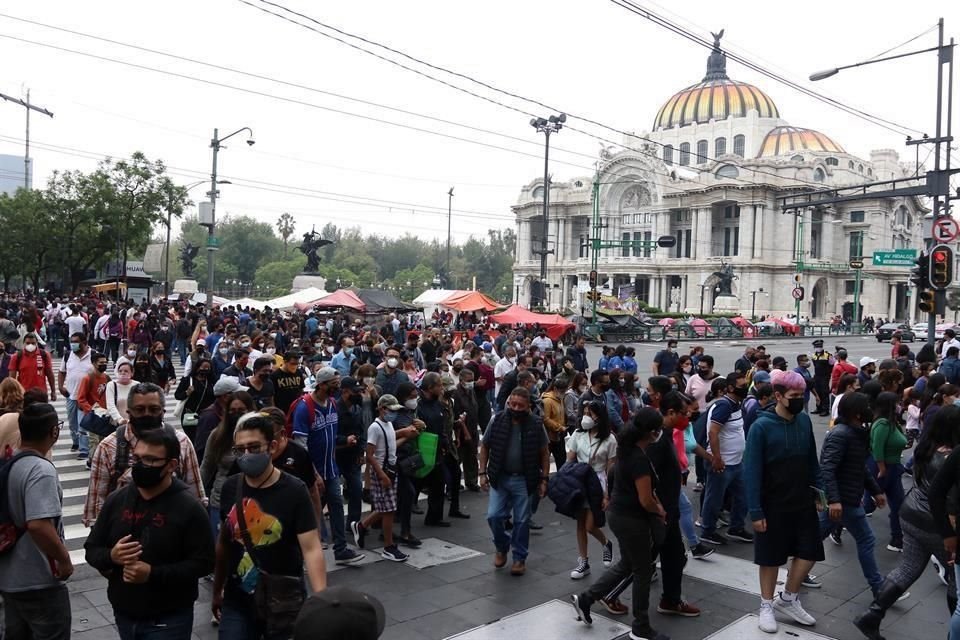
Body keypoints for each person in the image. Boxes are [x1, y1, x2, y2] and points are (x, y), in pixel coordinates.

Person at [84, 426, 215, 640]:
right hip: (123, 611)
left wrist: (152, 573)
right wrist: (111, 556)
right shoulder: (117, 500)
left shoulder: (190, 507)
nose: (142, 465)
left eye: (151, 460)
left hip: (169, 618)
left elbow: (204, 563)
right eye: (137, 458)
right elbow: (92, 549)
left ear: (171, 465)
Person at [212, 414, 328, 638]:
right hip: (238, 599)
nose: (246, 455)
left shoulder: (294, 490)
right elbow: (224, 544)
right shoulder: (230, 487)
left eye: (254, 447)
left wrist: (321, 597)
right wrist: (218, 590)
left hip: (284, 597)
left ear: (272, 446)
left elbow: (311, 548)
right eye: (240, 449)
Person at [856, 405, 960, 639]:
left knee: (908, 568)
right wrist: (952, 534)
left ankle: (872, 615)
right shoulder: (951, 456)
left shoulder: (927, 446)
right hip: (937, 524)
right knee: (955, 578)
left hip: (912, 513)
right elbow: (952, 501)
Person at [571, 408, 669, 640]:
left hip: (619, 515)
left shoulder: (627, 451)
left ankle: (586, 599)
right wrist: (660, 510)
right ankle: (641, 627)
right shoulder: (638, 459)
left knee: (627, 563)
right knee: (643, 570)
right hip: (631, 519)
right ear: (653, 433)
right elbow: (646, 499)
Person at [743, 370, 823, 633]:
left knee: (809, 551)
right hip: (772, 502)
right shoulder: (761, 427)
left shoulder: (804, 421)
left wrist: (820, 492)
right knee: (770, 558)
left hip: (801, 499)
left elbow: (813, 459)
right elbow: (752, 470)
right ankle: (766, 604)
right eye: (794, 396)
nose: (800, 400)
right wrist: (755, 510)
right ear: (777, 396)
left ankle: (788, 598)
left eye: (802, 395)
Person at [83, 382, 205, 527]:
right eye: (140, 410)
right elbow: (97, 508)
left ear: (163, 412)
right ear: (129, 412)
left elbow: (196, 497)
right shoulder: (108, 447)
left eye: (153, 409)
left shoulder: (182, 443)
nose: (147, 414)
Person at [0, 403, 73, 640]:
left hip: (10, 577)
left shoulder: (9, 462)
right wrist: (63, 560)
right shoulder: (40, 470)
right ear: (54, 432)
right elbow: (38, 524)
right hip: (39, 579)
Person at [291, 366, 363, 565]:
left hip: (330, 467)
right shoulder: (305, 408)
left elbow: (332, 436)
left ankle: (340, 548)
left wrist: (344, 441)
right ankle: (300, 550)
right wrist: (313, 473)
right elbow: (300, 446)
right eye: (333, 385)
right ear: (321, 385)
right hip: (311, 471)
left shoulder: (332, 404)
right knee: (307, 512)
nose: (337, 389)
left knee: (337, 506)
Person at [818, 392, 886, 596]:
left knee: (814, 537)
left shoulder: (854, 432)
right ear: (857, 414)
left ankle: (798, 569)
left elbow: (860, 466)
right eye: (866, 407)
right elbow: (827, 468)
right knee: (866, 539)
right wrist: (835, 500)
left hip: (846, 496)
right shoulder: (842, 434)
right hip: (844, 499)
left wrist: (875, 490)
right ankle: (878, 586)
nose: (870, 410)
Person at [480, 386, 549, 576]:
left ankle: (519, 558)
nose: (516, 408)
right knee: (493, 516)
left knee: (521, 520)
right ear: (508, 403)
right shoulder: (497, 420)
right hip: (500, 477)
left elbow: (544, 452)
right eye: (513, 404)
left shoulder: (536, 424)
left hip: (524, 479)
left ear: (528, 406)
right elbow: (484, 446)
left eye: (521, 405)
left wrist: (544, 479)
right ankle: (502, 546)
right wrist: (482, 473)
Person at [350, 395, 418, 563]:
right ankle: (388, 546)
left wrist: (406, 436)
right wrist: (381, 475)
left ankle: (361, 526)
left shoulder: (388, 425)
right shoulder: (375, 427)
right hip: (383, 471)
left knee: (386, 507)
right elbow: (370, 455)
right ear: (381, 409)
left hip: (390, 469)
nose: (393, 413)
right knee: (388, 509)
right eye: (391, 410)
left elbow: (391, 445)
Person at [700, 372, 752, 546]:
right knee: (714, 499)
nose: (745, 388)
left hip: (736, 462)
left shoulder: (737, 404)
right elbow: (713, 432)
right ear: (730, 388)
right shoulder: (724, 406)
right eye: (742, 385)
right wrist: (717, 458)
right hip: (723, 464)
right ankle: (708, 531)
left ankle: (736, 527)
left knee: (743, 495)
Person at [566, 401, 616, 580]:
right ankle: (583, 561)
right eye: (585, 412)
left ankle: (606, 543)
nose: (587, 416)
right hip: (580, 480)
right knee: (580, 523)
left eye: (591, 413)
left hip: (598, 481)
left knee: (590, 525)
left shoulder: (609, 439)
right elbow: (570, 459)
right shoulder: (578, 434)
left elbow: (610, 468)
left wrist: (607, 494)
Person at [868, 391, 908, 552]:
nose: (900, 406)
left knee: (898, 504)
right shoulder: (882, 424)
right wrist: (882, 468)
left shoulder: (891, 423)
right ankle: (836, 524)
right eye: (898, 403)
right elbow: (877, 447)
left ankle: (897, 539)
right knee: (867, 504)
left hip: (893, 468)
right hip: (884, 469)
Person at [336, 377, 366, 536]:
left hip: (352, 457)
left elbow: (361, 432)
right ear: (345, 391)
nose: (358, 394)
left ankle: (353, 524)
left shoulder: (357, 409)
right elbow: (330, 434)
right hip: (336, 456)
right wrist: (343, 440)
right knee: (331, 494)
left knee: (356, 490)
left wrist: (361, 451)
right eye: (355, 392)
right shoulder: (334, 408)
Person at [59, 331, 93, 458]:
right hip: (70, 395)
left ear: (84, 343)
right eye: (71, 342)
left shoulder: (93, 355)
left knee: (82, 423)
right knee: (72, 422)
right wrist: (60, 386)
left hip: (85, 397)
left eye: (76, 342)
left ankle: (84, 449)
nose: (73, 345)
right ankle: (76, 442)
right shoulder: (68, 355)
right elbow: (62, 372)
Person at [452, 367, 480, 492]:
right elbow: (457, 415)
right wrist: (462, 432)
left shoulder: (471, 391)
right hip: (461, 431)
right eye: (468, 380)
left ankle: (472, 481)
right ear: (461, 380)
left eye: (472, 380)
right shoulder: (455, 393)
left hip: (472, 428)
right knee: (458, 458)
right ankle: (454, 484)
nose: (471, 382)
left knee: (472, 458)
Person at [173, 357, 215, 442]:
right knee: (193, 439)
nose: (205, 370)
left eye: (208, 368)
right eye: (203, 367)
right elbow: (177, 395)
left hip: (206, 416)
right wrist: (187, 393)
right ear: (197, 367)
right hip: (190, 415)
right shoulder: (188, 380)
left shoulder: (211, 381)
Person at [8, 332, 56, 399]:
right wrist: (12, 394)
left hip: (41, 394)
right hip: (24, 394)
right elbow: (12, 378)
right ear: (24, 343)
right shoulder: (17, 356)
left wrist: (53, 391)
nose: (30, 345)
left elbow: (50, 374)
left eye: (33, 343)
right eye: (28, 343)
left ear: (37, 343)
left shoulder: (44, 355)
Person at [810, 340, 833, 416]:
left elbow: (832, 365)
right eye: (816, 346)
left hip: (825, 377)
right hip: (817, 376)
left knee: (824, 393)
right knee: (818, 392)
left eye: (819, 346)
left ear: (822, 346)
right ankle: (818, 408)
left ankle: (825, 409)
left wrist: (828, 375)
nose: (818, 348)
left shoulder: (828, 355)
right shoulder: (814, 355)